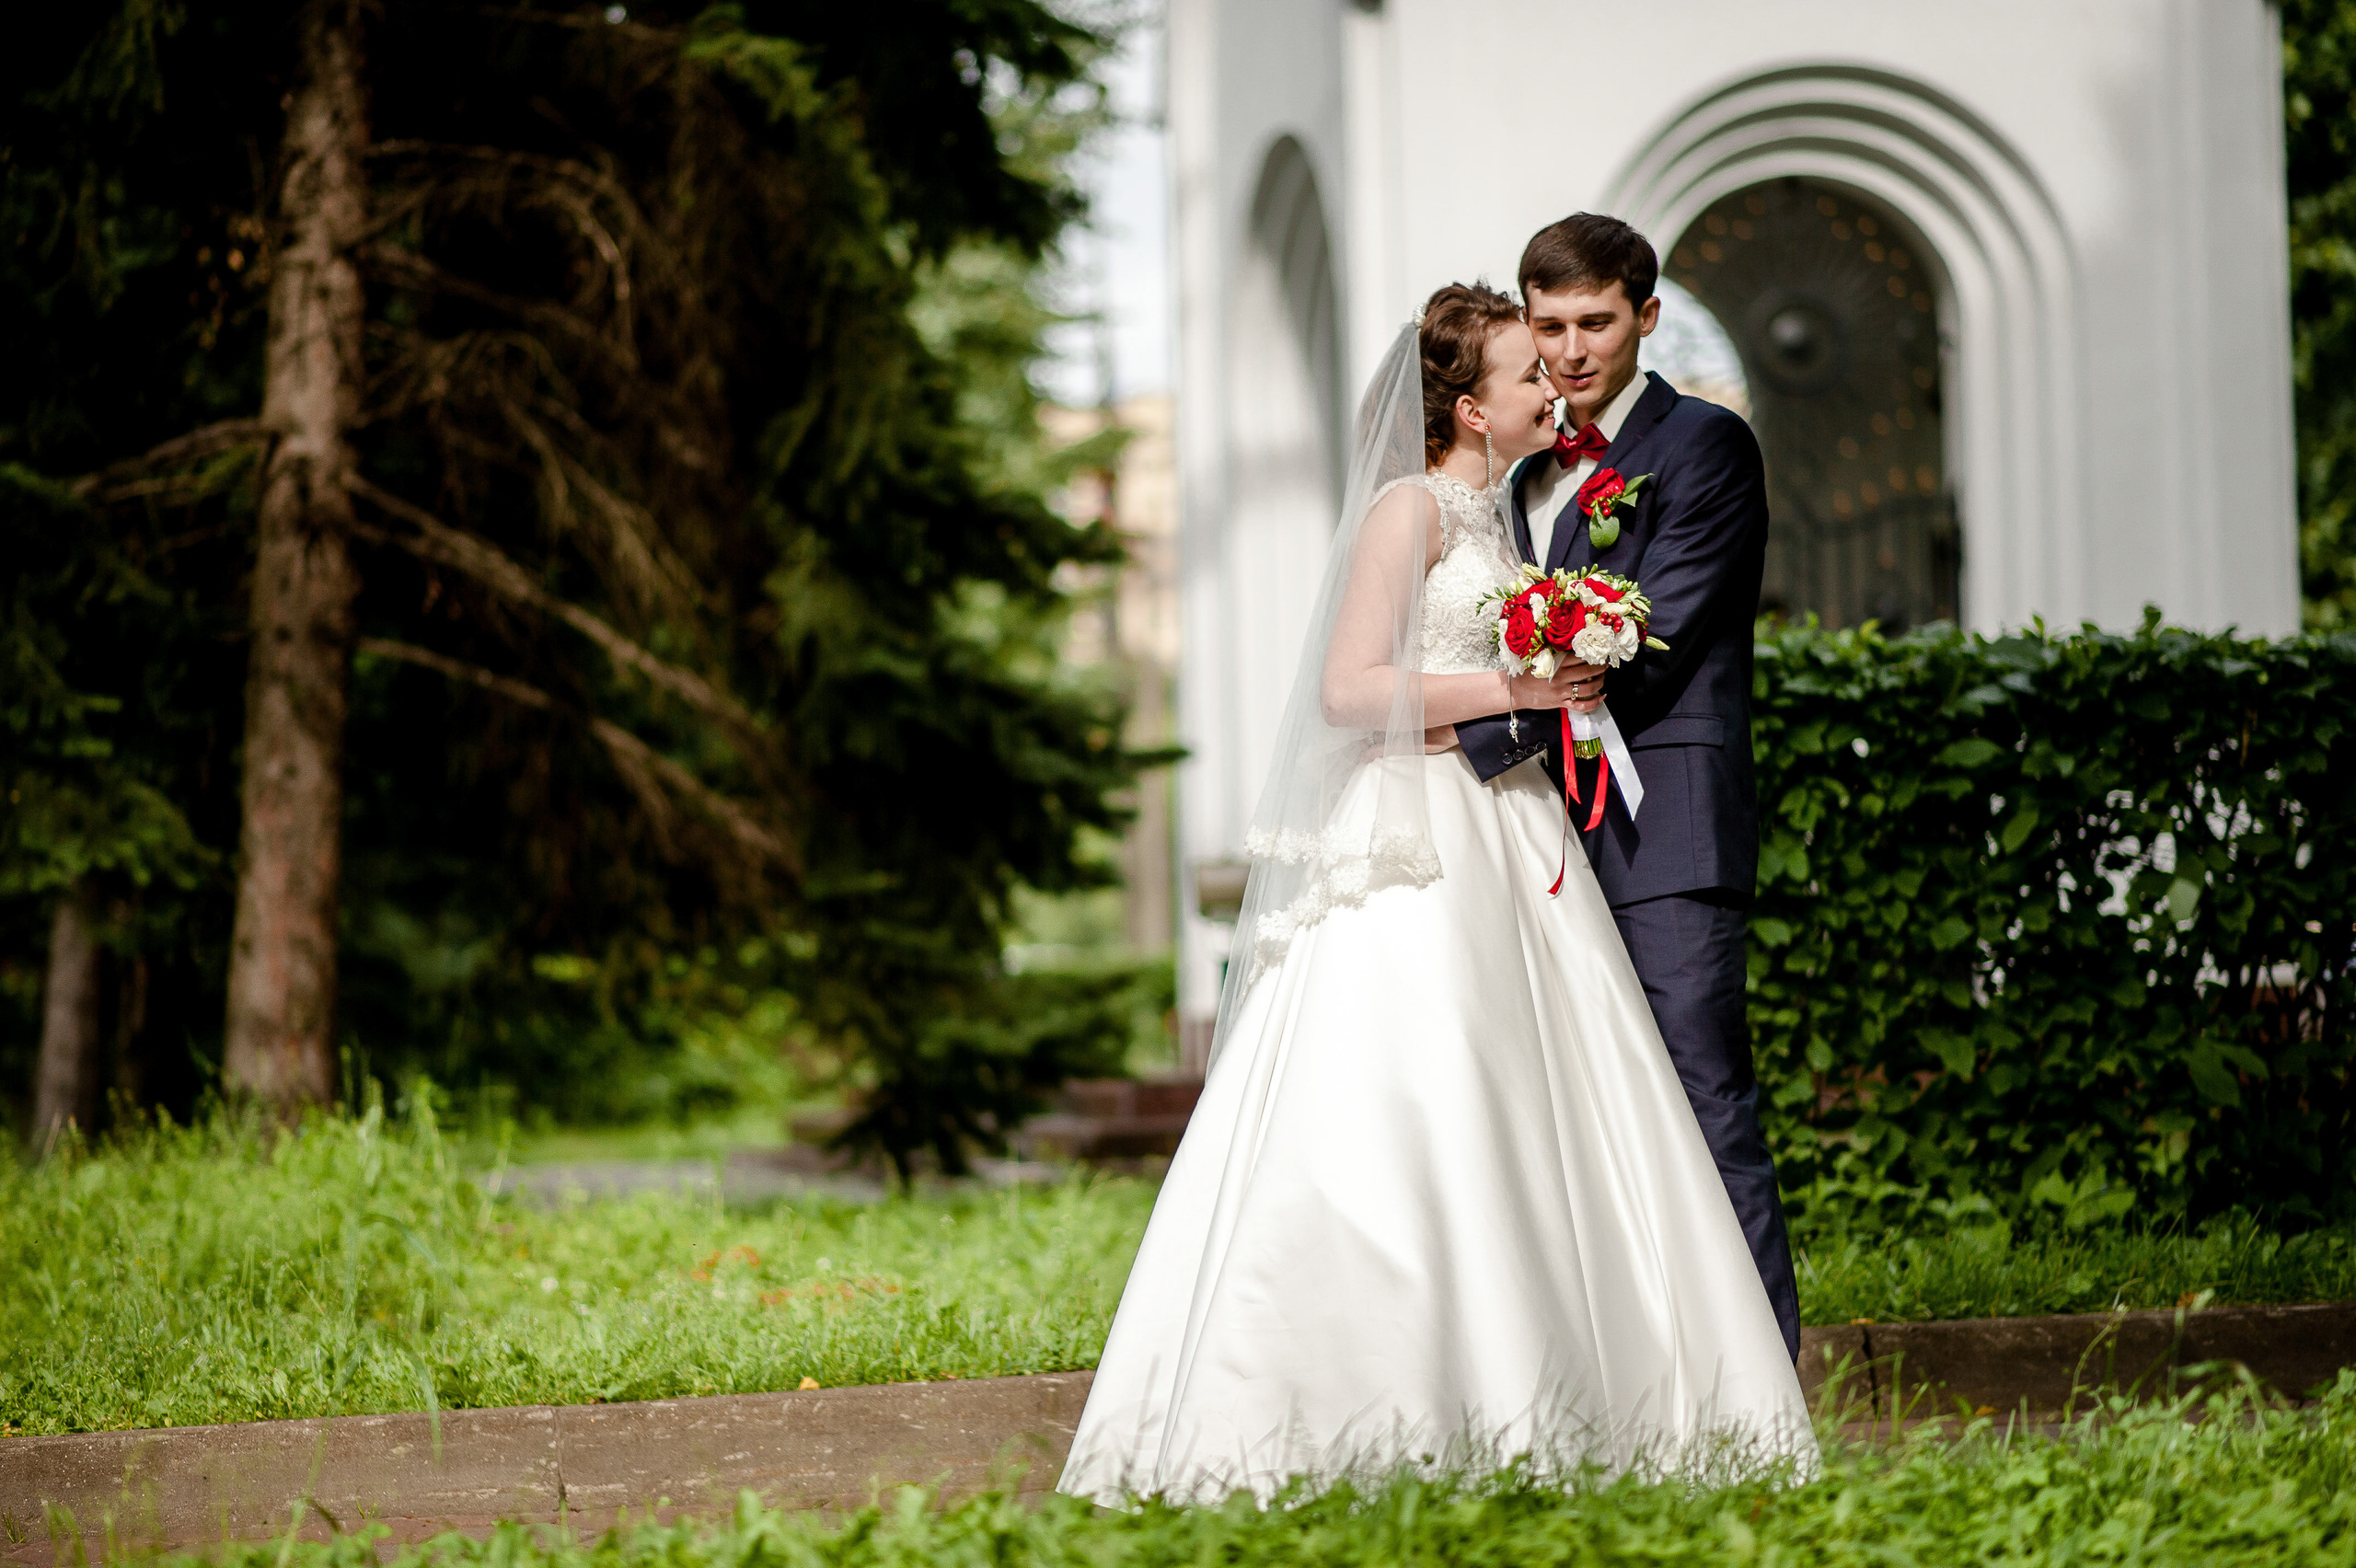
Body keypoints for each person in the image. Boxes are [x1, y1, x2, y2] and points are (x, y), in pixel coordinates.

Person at [1057, 282, 1813, 1506]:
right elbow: (1351, 692)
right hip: (1418, 833)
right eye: (1527, 373)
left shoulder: (1499, 513)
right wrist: (1525, 686)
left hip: (1510, 828)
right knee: (1420, 1094)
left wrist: (1549, 664)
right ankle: (1375, 1392)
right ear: (1472, 404)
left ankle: (1568, 1388)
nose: (1550, 388)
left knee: (1537, 1104)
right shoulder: (1410, 510)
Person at [1456, 214, 1801, 1359]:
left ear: (1644, 318)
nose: (1567, 348)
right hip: (1538, 837)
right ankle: (1638, 1374)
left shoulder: (1703, 445)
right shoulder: (1516, 482)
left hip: (1669, 834)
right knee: (1582, 1116)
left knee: (1704, 1106)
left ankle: (1763, 1388)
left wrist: (1508, 700)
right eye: (1546, 324)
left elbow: (1663, 633)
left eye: (1593, 321)